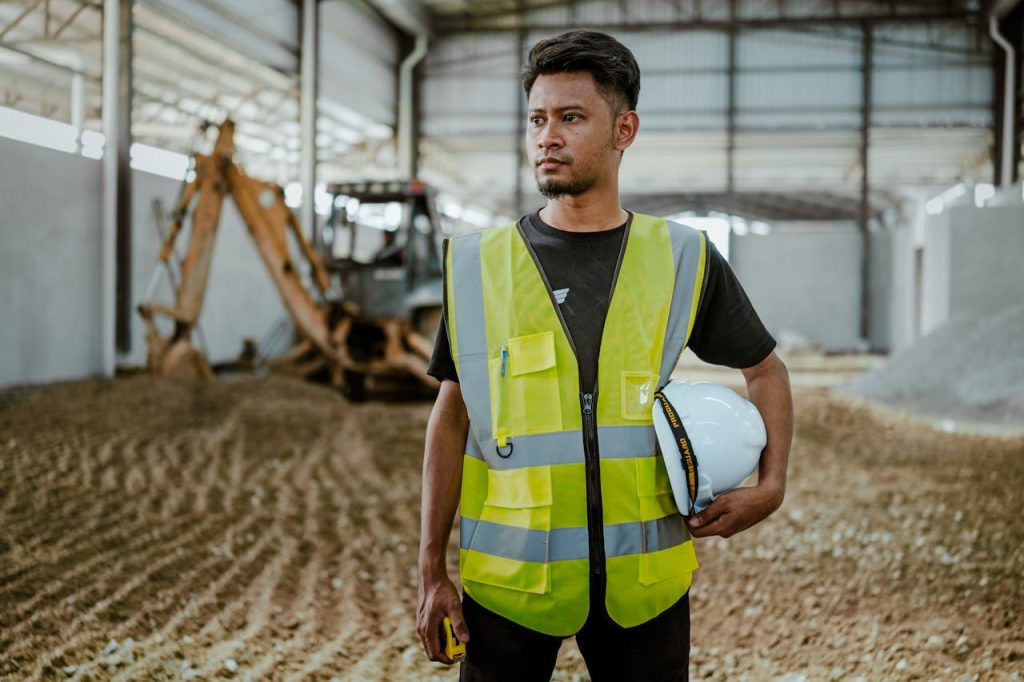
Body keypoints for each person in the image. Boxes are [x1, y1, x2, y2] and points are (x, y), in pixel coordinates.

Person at [417, 30, 793, 681]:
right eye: (537, 119)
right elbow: (451, 416)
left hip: (643, 585)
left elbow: (766, 371)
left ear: (625, 130)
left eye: (570, 118)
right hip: (510, 588)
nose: (546, 136)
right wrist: (430, 572)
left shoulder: (682, 257)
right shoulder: (478, 265)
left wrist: (773, 486)